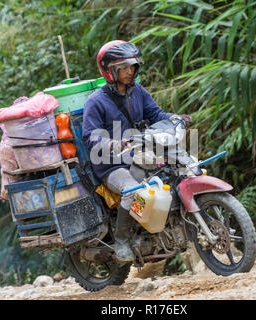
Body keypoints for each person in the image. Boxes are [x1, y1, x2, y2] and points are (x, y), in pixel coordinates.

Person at [82, 40, 191, 262]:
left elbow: (156, 114)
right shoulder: (96, 102)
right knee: (133, 191)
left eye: (132, 66)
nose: (129, 71)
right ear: (109, 70)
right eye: (123, 67)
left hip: (142, 155)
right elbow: (90, 137)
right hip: (112, 165)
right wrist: (113, 143)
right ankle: (122, 240)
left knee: (180, 172)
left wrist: (175, 118)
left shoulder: (137, 91)